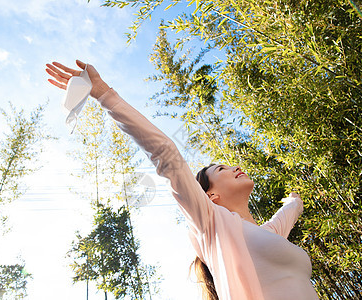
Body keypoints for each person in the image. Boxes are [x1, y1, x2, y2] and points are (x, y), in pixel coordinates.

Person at [46, 60, 319, 300]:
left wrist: (295, 200)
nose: (235, 166)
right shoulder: (211, 223)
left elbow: (289, 212)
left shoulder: (268, 234)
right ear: (211, 197)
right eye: (222, 169)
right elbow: (165, 153)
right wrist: (106, 95)